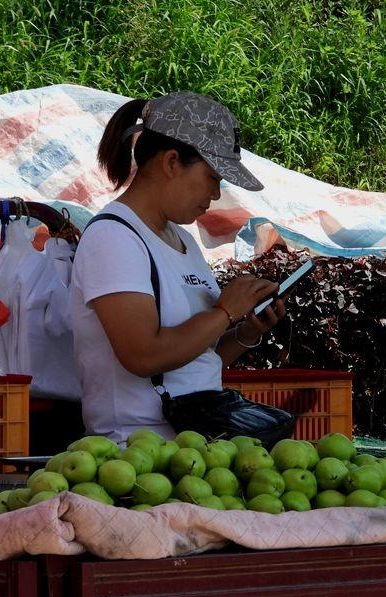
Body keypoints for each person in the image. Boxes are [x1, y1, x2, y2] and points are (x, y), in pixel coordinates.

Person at [71, 92, 286, 441]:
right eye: (213, 178)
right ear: (172, 163)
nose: (215, 194)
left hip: (197, 446)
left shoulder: (184, 243)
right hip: (136, 450)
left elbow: (196, 358)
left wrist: (245, 334)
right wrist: (225, 313)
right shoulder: (114, 238)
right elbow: (142, 355)